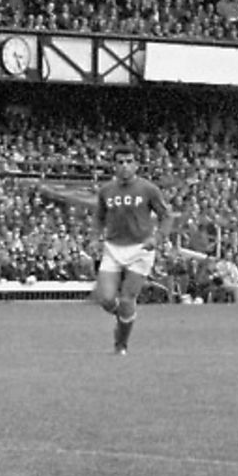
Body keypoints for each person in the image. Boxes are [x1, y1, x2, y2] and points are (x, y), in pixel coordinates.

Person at [89, 150, 172, 354]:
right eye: (120, 162)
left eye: (129, 161)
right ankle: (124, 317)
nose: (124, 165)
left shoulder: (148, 189)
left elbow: (166, 216)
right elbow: (99, 217)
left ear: (136, 165)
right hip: (113, 247)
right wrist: (94, 238)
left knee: (127, 298)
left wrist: (158, 237)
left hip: (140, 249)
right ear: (114, 166)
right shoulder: (106, 190)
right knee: (106, 298)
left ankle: (121, 345)